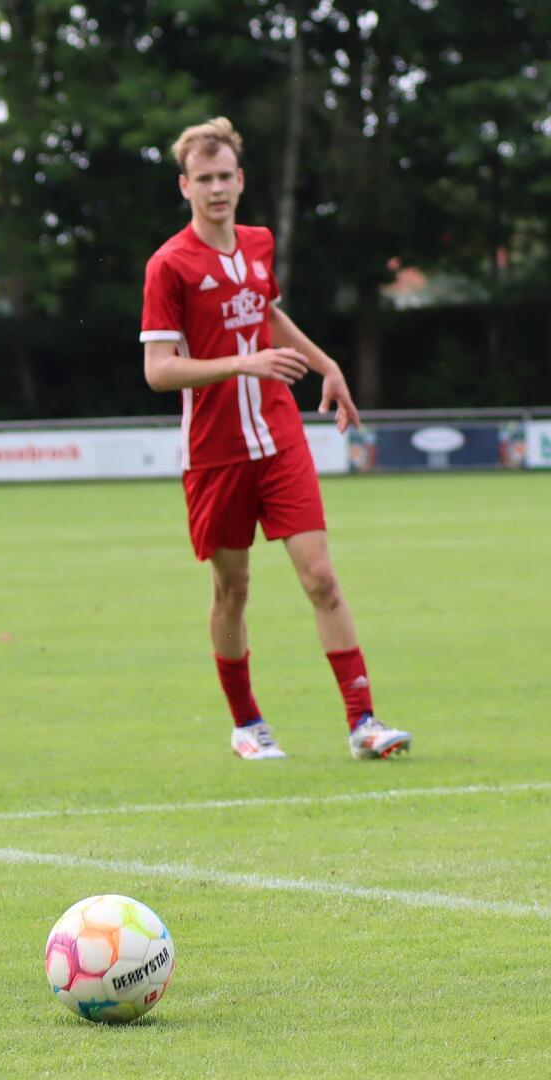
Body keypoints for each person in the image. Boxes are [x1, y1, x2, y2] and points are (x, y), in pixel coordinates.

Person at [139, 117, 412, 762]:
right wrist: (242, 364)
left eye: (225, 176)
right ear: (185, 186)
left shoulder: (259, 243)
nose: (216, 189)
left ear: (241, 180)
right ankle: (247, 725)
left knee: (320, 576)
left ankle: (363, 723)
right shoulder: (168, 265)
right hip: (215, 450)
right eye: (203, 179)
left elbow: (268, 313)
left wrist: (327, 366)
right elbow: (158, 371)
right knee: (232, 589)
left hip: (279, 435)